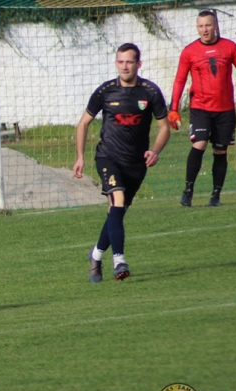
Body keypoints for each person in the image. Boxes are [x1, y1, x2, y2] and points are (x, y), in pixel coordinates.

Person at [73, 43, 171, 283]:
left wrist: (155, 151)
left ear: (139, 64)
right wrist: (80, 157)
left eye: (129, 62)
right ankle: (119, 260)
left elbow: (164, 127)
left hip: (136, 163)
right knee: (117, 199)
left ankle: (95, 255)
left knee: (116, 213)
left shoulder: (150, 92)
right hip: (108, 157)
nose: (124, 66)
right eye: (120, 61)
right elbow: (83, 123)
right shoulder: (105, 91)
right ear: (116, 63)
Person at [169, 10, 236, 207]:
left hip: (225, 110)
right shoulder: (189, 51)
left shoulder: (229, 47)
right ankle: (188, 191)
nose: (204, 29)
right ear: (197, 28)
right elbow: (180, 80)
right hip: (200, 108)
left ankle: (216, 195)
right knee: (198, 145)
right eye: (201, 26)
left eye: (208, 25)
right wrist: (173, 109)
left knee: (220, 151)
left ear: (215, 25)